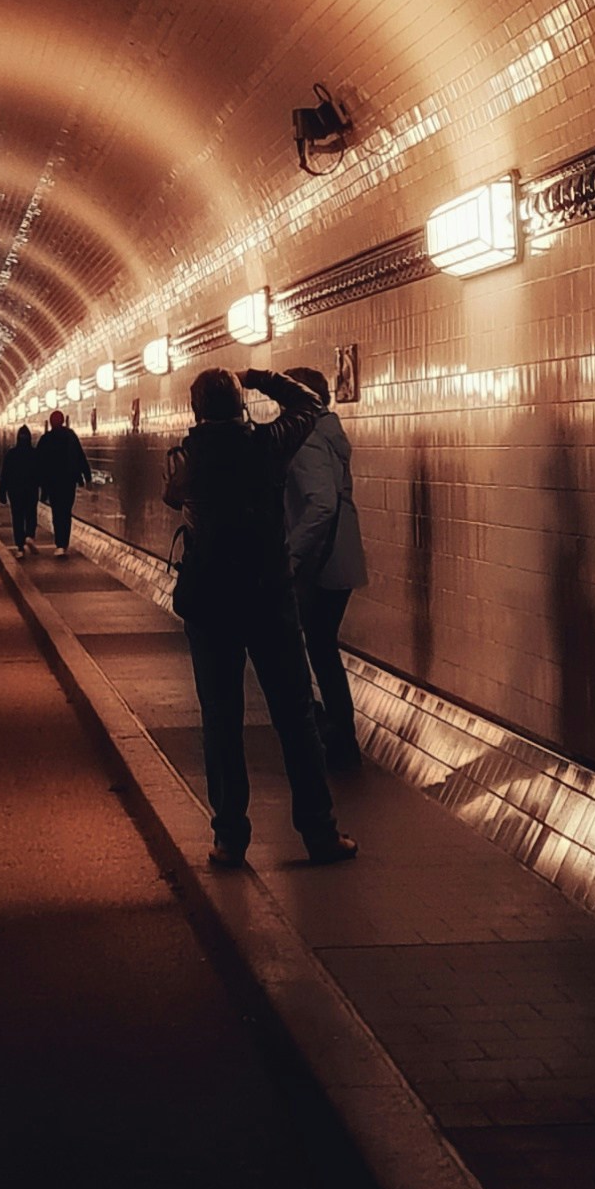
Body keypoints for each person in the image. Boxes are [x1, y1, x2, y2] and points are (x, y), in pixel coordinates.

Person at [163, 368, 356, 871]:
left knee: (220, 719)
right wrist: (258, 376)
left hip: (209, 602)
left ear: (196, 409)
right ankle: (319, 833)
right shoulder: (269, 445)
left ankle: (230, 839)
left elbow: (173, 495)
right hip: (268, 596)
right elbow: (310, 405)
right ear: (240, 401)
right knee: (294, 717)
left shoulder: (188, 458)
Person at [281, 365, 368, 769]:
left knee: (302, 643)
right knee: (319, 645)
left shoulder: (310, 439)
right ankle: (337, 735)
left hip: (321, 561)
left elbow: (320, 505)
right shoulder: (328, 435)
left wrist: (291, 555)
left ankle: (332, 735)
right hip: (336, 556)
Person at [33, 407, 90, 553]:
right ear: (63, 421)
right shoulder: (71, 436)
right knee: (66, 511)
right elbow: (80, 456)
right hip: (68, 481)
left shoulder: (46, 439)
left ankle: (59, 543)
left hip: (53, 482)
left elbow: (39, 463)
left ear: (51, 423)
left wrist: (40, 484)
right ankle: (64, 542)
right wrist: (86, 476)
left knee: (57, 512)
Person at [0, 422, 41, 549]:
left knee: (17, 517)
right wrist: (44, 490)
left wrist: (2, 491)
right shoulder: (34, 453)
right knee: (31, 514)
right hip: (31, 489)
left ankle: (20, 546)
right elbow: (40, 472)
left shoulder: (11, 454)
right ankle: (29, 535)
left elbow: (5, 473)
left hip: (15, 491)